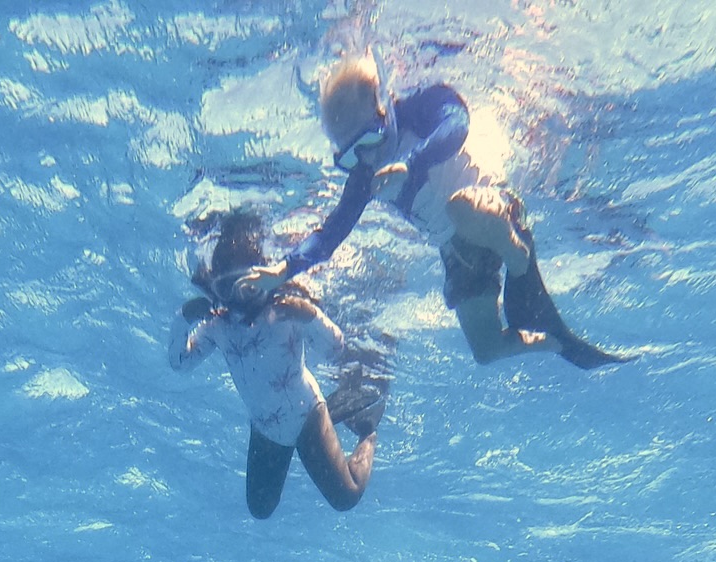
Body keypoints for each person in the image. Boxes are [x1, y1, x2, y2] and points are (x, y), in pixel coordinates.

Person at [232, 52, 624, 371]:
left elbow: (458, 124)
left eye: (369, 138)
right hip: (456, 253)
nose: (367, 156)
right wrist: (283, 270)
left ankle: (518, 256)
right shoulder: (364, 175)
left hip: (489, 204)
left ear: (384, 107)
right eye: (351, 154)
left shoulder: (422, 106)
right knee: (487, 350)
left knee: (459, 208)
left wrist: (412, 164)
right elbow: (330, 234)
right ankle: (553, 343)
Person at [168, 209, 388, 519]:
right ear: (214, 288)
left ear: (262, 280)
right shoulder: (218, 326)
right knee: (260, 508)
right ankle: (339, 419)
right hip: (265, 426)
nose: (238, 299)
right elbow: (179, 364)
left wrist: (309, 315)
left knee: (346, 495)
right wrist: (183, 319)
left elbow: (336, 350)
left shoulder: (285, 312)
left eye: (246, 286)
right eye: (227, 289)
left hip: (307, 415)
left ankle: (368, 432)